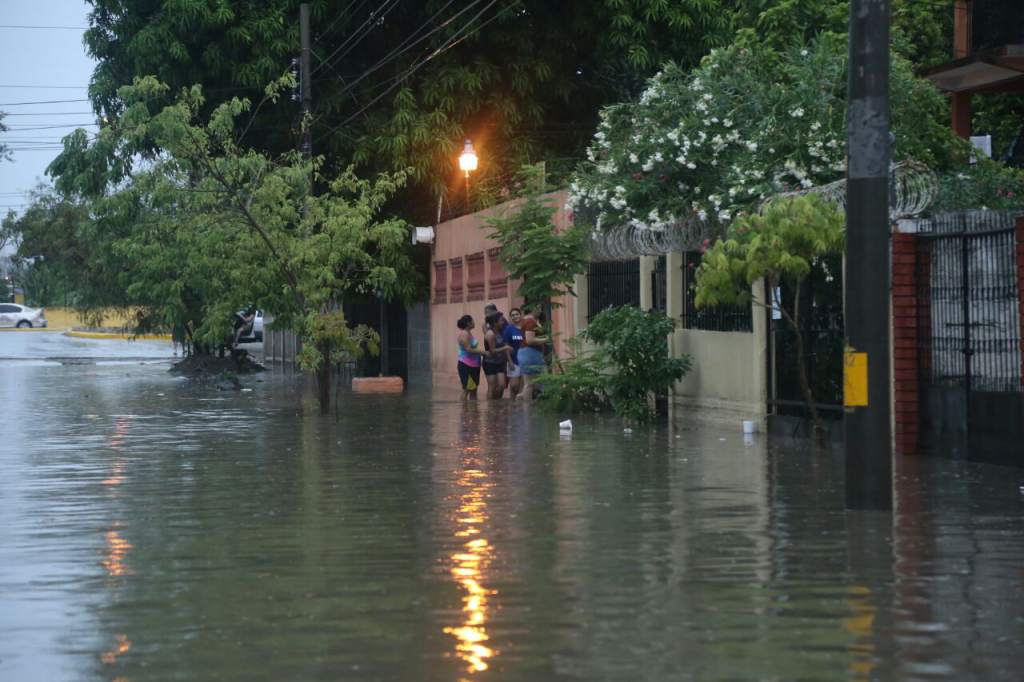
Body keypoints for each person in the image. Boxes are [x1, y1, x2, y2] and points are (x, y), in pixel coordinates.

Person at [517, 306, 548, 400]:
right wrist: (546, 339)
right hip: (530, 353)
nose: (540, 310)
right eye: (538, 308)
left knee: (530, 383)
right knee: (540, 381)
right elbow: (529, 340)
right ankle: (528, 410)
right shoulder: (530, 321)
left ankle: (523, 404)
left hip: (527, 353)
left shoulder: (529, 320)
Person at [456, 314, 487, 401]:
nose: (474, 322)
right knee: (466, 389)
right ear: (468, 323)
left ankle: (474, 412)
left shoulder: (469, 333)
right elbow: (468, 349)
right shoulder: (464, 334)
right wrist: (484, 352)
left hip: (474, 365)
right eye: (472, 321)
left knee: (473, 390)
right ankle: (464, 411)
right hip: (466, 365)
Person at [483, 312, 512, 399]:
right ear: (495, 323)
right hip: (489, 363)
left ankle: (496, 404)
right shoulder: (490, 334)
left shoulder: (499, 332)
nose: (503, 322)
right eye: (501, 320)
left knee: (502, 385)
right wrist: (505, 348)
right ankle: (491, 407)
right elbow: (492, 351)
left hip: (499, 362)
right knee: (491, 387)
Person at [504, 308, 525, 399]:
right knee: (514, 386)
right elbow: (506, 347)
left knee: (523, 387)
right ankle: (512, 406)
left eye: (516, 314)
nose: (515, 316)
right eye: (513, 315)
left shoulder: (525, 327)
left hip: (525, 360)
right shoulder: (509, 329)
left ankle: (520, 409)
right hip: (514, 361)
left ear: (521, 315)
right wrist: (510, 361)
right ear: (511, 318)